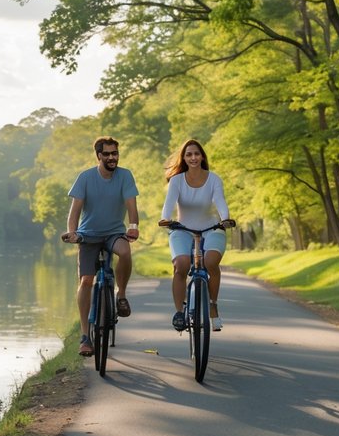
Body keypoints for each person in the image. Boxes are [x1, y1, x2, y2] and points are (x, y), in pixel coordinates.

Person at [65, 136, 140, 356]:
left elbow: (131, 206)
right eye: (106, 154)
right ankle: (85, 336)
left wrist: (133, 226)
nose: (111, 157)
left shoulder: (125, 176)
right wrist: (72, 232)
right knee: (86, 280)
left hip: (114, 233)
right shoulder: (86, 177)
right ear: (99, 156)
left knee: (125, 251)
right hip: (88, 235)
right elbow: (75, 210)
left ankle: (121, 295)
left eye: (114, 153)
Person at [157, 139, 235, 331]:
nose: (193, 157)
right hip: (182, 229)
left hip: (212, 228)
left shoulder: (214, 179)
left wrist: (225, 218)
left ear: (202, 157)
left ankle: (213, 306)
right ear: (184, 158)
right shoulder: (176, 181)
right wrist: (165, 218)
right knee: (181, 265)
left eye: (196, 154)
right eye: (189, 154)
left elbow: (220, 201)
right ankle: (179, 311)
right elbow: (168, 204)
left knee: (210, 262)